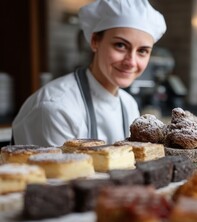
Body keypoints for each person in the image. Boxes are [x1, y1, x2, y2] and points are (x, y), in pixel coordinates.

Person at [11, 0, 166, 147]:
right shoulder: (56, 108)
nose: (131, 62)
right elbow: (57, 174)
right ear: (94, 41)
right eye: (120, 45)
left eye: (143, 51)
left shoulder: (128, 104)